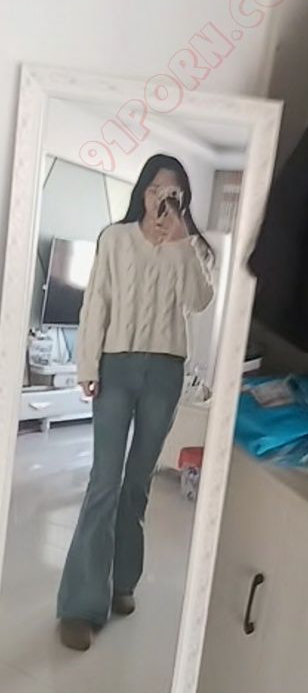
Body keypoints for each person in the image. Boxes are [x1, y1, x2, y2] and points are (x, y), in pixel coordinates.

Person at [57, 154, 214, 651]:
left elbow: (199, 301)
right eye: (154, 189)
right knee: (104, 480)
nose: (161, 199)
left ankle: (123, 580)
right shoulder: (114, 238)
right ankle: (80, 605)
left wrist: (181, 241)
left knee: (138, 482)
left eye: (172, 192)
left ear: (183, 198)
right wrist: (87, 366)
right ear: (142, 192)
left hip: (165, 372)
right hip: (116, 366)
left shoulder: (193, 248)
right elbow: (96, 303)